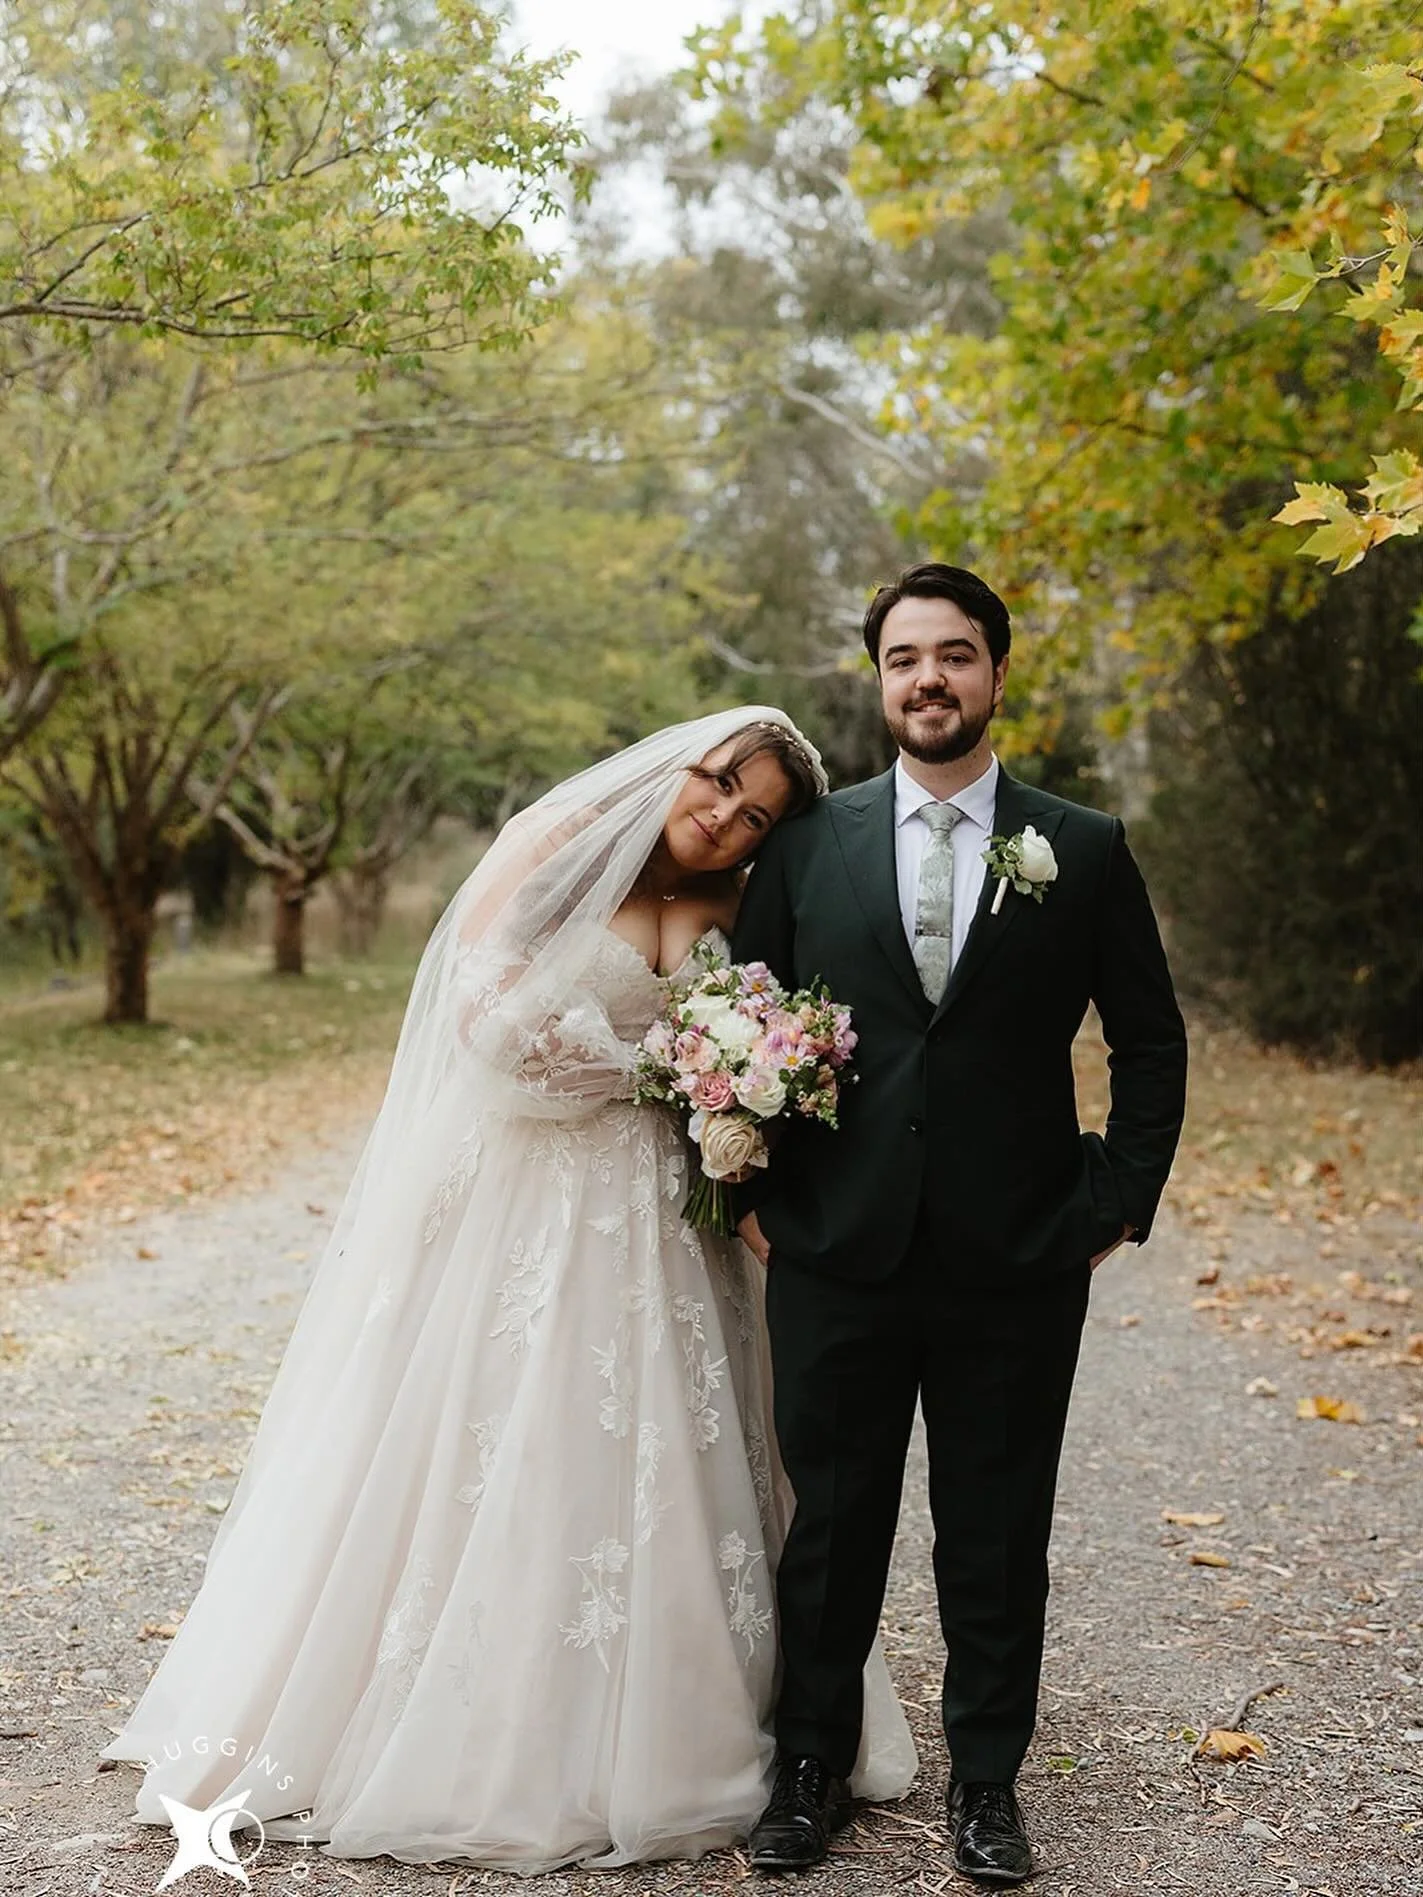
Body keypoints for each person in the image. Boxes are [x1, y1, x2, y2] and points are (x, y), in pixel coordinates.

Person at [100, 707, 916, 1870]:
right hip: (521, 1203)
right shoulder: (557, 844)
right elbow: (486, 1029)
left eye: (755, 814)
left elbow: (789, 1041)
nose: (724, 816)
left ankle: (688, 1719)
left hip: (670, 1221)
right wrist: (675, 1062)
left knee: (671, 1451)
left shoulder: (749, 901)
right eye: (718, 782)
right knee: (490, 1437)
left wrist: (741, 1079)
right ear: (681, 763)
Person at [733, 565, 1188, 1886]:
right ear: (874, 681)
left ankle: (985, 1786)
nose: (924, 679)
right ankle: (804, 1769)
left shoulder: (1083, 846)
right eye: (899, 659)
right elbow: (740, 1016)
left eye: (951, 655)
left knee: (995, 1531)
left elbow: (1148, 1043)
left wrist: (1109, 1201)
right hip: (836, 1250)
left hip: (1016, 1257)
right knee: (830, 1527)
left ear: (994, 671)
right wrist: (759, 1198)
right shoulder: (806, 843)